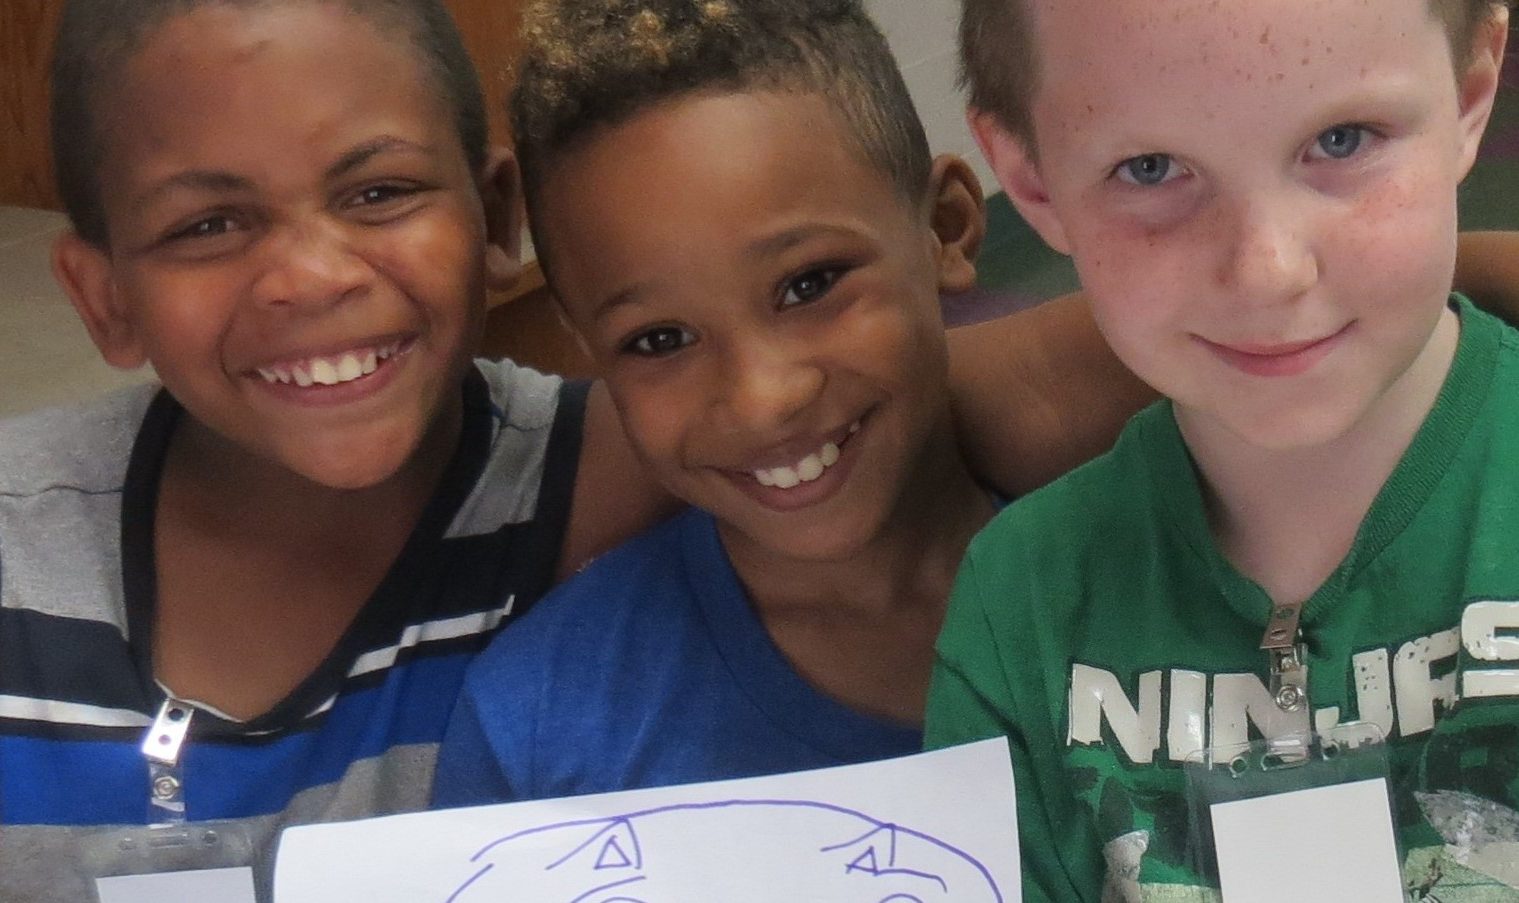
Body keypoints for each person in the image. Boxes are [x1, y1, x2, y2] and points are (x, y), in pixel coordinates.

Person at [0, 1, 672, 898]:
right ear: (106, 298)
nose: (313, 279)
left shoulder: (631, 475)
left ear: (497, 217)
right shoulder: (14, 557)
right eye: (208, 224)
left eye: (378, 192)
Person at [925, 0, 1519, 898]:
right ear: (1031, 179)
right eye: (1150, 167)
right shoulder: (1021, 609)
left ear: (1472, 95)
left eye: (1344, 137)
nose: (1266, 269)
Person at [430, 0, 999, 806]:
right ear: (587, 345)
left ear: (945, 226)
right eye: (659, 339)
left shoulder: (1178, 560)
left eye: (808, 284)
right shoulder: (539, 734)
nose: (761, 399)